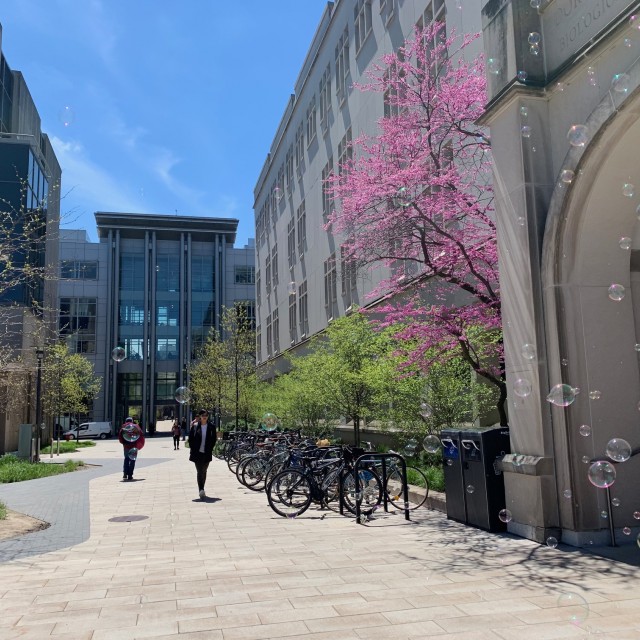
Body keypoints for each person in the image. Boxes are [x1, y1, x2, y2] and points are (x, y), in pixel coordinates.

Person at [188, 409, 217, 499]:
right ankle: (201, 489)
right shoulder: (195, 426)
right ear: (200, 416)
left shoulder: (211, 427)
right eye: (203, 415)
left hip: (207, 452)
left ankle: (202, 488)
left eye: (206, 415)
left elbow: (214, 439)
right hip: (197, 453)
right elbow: (191, 439)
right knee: (199, 471)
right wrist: (193, 449)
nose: (205, 416)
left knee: (204, 471)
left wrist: (210, 448)